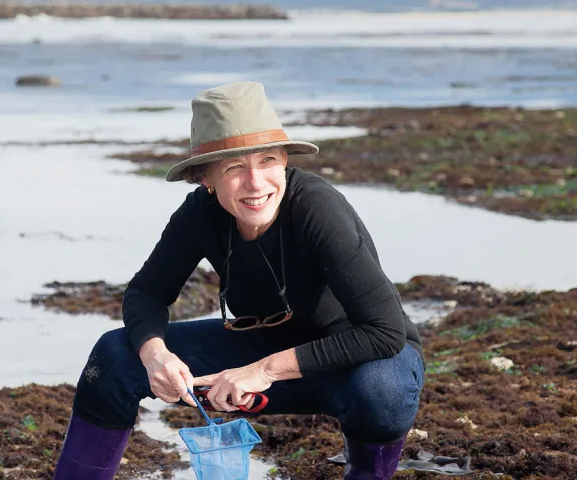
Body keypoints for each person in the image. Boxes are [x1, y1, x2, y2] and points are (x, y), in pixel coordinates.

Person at [53, 81, 425, 480]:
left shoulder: (318, 207)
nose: (256, 183)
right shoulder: (200, 213)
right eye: (234, 168)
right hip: (259, 351)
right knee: (114, 357)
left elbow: (385, 332)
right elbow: (146, 292)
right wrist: (156, 356)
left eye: (267, 160)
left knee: (382, 389)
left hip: (352, 361)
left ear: (284, 159)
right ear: (205, 179)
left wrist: (262, 371)